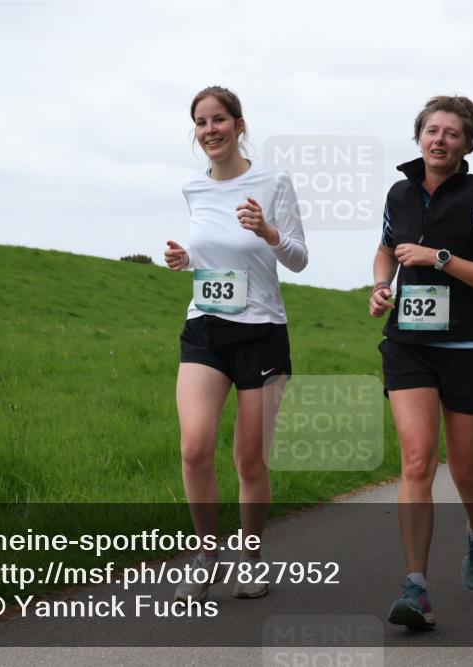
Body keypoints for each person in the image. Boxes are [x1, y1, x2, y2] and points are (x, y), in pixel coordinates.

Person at [369, 95, 473, 629]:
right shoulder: (399, 193)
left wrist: (441, 258)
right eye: (432, 130)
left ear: (467, 144)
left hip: (471, 347)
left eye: (452, 133)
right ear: (419, 136)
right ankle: (417, 587)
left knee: (465, 468)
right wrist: (381, 285)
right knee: (416, 461)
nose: (440, 140)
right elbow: (387, 248)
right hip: (409, 343)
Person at [163, 86, 308, 602]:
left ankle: (250, 559)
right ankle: (207, 556)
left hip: (261, 332)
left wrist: (268, 231)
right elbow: (212, 258)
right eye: (201, 122)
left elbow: (298, 258)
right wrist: (186, 261)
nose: (210, 130)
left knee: (249, 460)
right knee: (194, 447)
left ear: (239, 124)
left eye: (219, 120)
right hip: (205, 328)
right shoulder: (193, 188)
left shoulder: (272, 181)